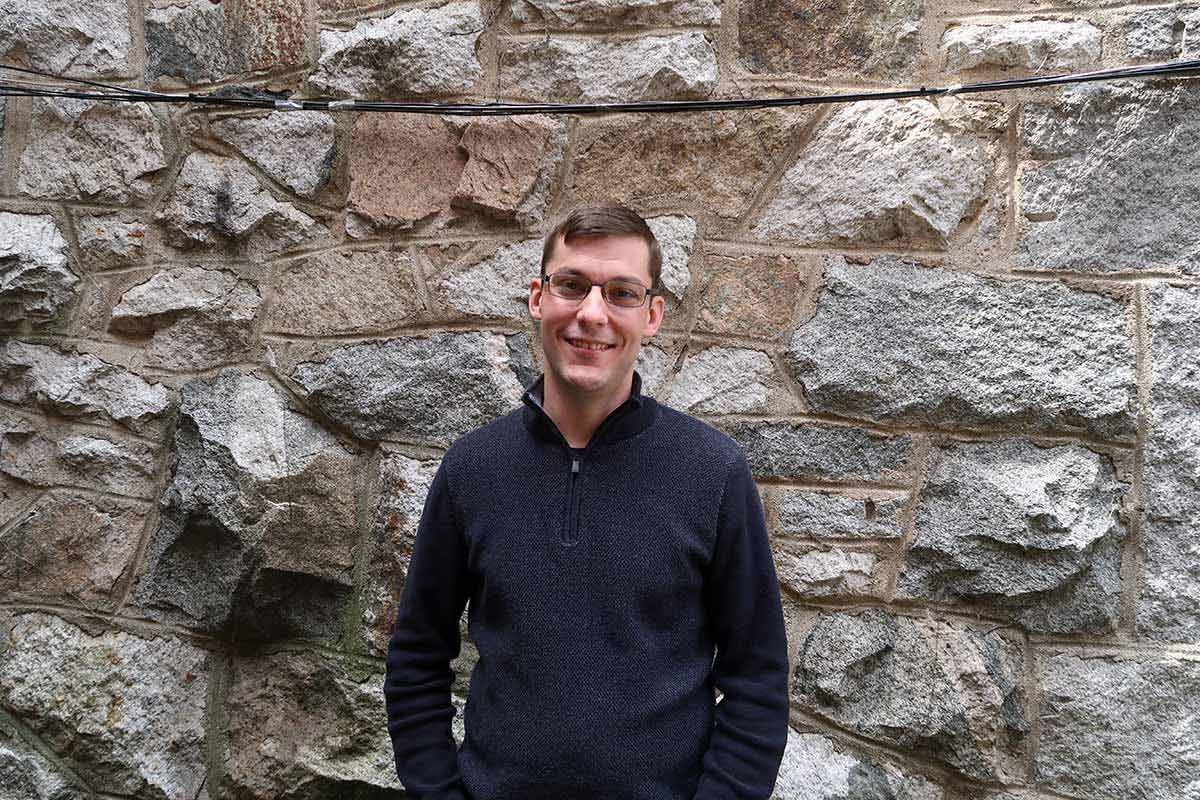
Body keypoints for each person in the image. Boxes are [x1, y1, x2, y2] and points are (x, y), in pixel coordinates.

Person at [383, 204, 790, 799]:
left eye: (621, 293)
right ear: (537, 298)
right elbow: (417, 657)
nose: (591, 314)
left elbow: (757, 679)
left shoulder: (712, 472)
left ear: (651, 316)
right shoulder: (473, 468)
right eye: (571, 285)